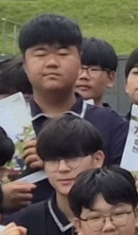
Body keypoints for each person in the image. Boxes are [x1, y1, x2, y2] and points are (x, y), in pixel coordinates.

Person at [13, 14, 129, 167]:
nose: (52, 63)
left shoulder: (110, 123)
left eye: (63, 54)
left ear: (80, 59)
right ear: (25, 64)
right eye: (40, 54)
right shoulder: (5, 123)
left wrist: (54, 162)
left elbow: (122, 186)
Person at [2, 114, 109, 235]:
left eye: (72, 158)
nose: (63, 168)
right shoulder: (21, 225)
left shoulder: (119, 219)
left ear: (98, 159)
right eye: (52, 160)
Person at [76, 36, 120, 107]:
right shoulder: (54, 117)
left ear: (110, 78)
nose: (83, 76)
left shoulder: (112, 118)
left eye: (94, 69)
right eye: (78, 68)